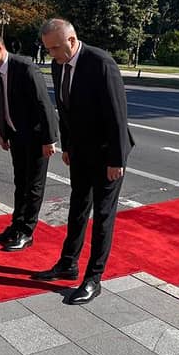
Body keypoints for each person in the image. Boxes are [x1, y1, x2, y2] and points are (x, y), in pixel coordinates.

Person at [32, 18, 135, 305]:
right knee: (77, 208)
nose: (51, 54)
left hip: (107, 156)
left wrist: (116, 158)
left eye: (54, 48)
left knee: (102, 216)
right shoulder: (57, 65)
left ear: (72, 40)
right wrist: (68, 146)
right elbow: (64, 109)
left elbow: (117, 114)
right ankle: (68, 263)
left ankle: (93, 278)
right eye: (48, 49)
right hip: (79, 153)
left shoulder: (100, 63)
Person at [0, 32, 58, 251]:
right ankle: (16, 226)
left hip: (37, 137)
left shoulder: (25, 68)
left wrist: (50, 139)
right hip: (15, 134)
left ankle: (27, 231)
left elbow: (44, 104)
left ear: (0, 48)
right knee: (20, 183)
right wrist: (2, 132)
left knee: (33, 186)